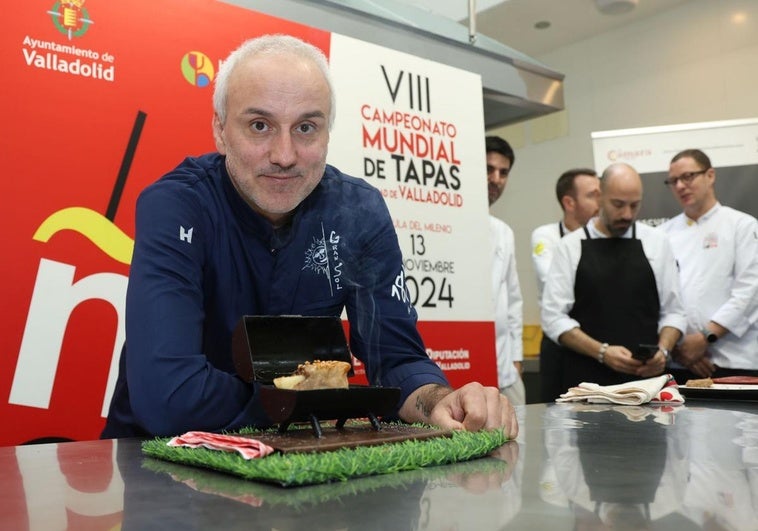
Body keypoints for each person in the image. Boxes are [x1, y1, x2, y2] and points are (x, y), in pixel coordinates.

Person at [101, 34, 517, 439]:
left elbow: (396, 358)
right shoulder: (176, 204)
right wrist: (313, 403)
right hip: (159, 467)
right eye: (260, 125)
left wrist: (438, 398)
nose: (284, 155)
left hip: (303, 461)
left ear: (328, 133)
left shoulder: (359, 211)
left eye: (305, 128)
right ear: (220, 130)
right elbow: (169, 398)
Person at [540, 163, 686, 391]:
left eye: (634, 206)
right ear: (599, 196)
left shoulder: (658, 242)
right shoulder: (569, 246)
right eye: (618, 205)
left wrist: (663, 351)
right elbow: (553, 317)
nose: (627, 214)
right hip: (586, 382)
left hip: (645, 383)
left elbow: (674, 311)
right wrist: (602, 352)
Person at [660, 149, 758, 381]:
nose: (680, 186)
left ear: (710, 175)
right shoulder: (662, 235)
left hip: (734, 360)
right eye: (673, 181)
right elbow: (659, 299)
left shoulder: (742, 226)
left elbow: (750, 291)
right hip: (679, 363)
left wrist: (705, 337)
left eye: (688, 176)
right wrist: (678, 348)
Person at [531, 168, 600, 401]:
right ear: (569, 202)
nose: (601, 202)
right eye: (592, 195)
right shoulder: (546, 236)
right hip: (559, 343)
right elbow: (551, 280)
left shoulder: (603, 238)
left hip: (595, 340)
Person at [485, 136, 525, 405]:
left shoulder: (503, 231)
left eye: (503, 172)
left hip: (506, 372)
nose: (496, 178)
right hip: (467, 366)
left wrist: (516, 358)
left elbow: (513, 301)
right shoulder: (447, 226)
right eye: (488, 169)